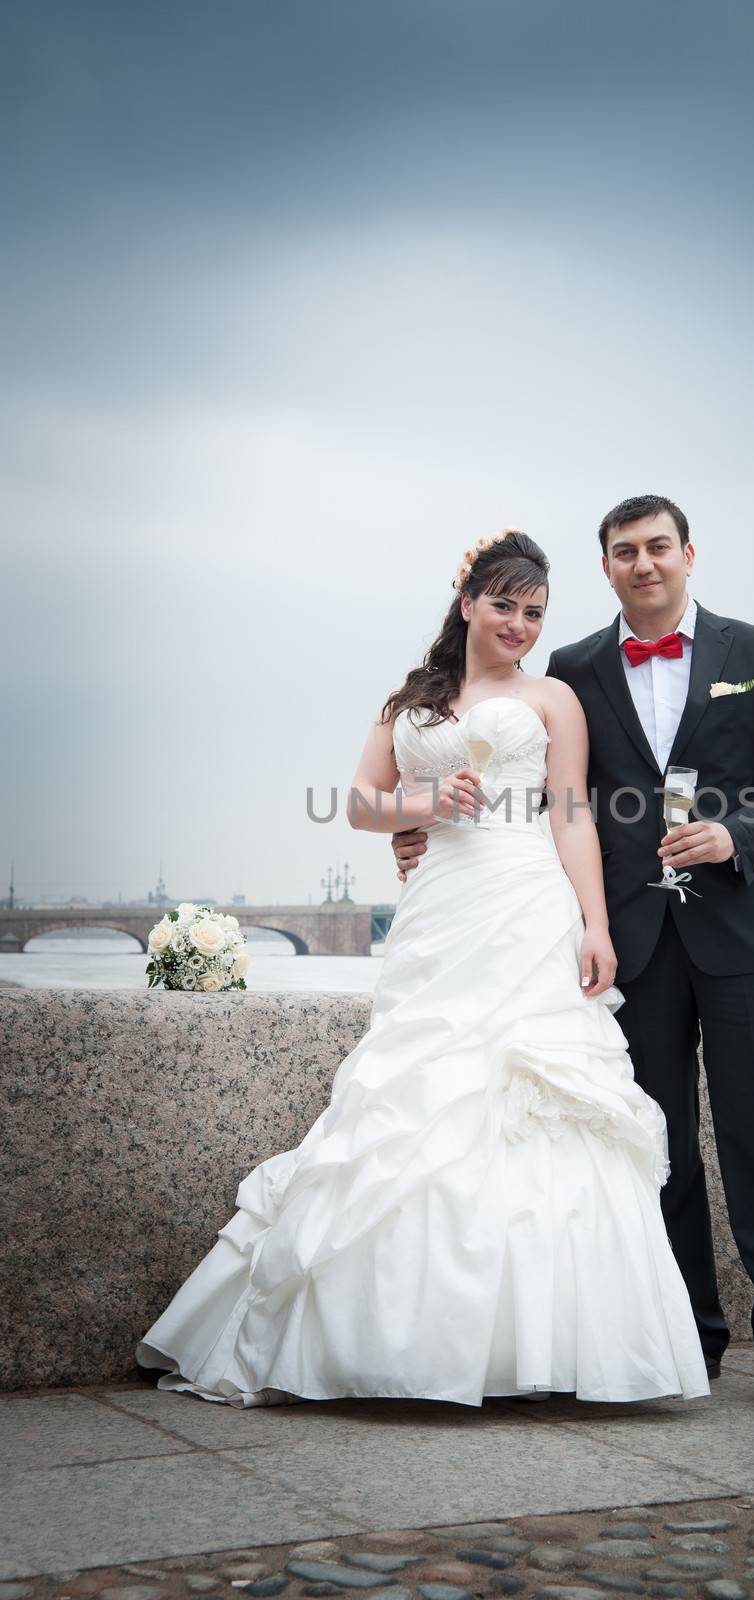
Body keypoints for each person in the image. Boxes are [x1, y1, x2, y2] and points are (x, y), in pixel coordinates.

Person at [134, 527, 711, 1408]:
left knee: (534, 1098)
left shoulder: (554, 699)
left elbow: (570, 819)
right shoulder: (407, 700)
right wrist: (427, 801)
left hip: (526, 906)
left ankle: (550, 1346)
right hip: (441, 909)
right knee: (417, 1090)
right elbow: (363, 803)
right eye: (504, 605)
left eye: (534, 612)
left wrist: (595, 925)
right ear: (467, 602)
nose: (518, 624)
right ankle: (394, 1343)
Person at [394, 496, 754, 1417]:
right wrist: (420, 832)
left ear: (687, 555)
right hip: (629, 945)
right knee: (655, 1147)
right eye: (623, 552)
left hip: (745, 935)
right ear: (605, 568)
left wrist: (736, 836)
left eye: (657, 548)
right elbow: (556, 802)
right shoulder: (572, 667)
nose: (642, 564)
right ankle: (688, 1336)